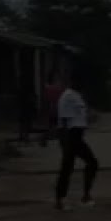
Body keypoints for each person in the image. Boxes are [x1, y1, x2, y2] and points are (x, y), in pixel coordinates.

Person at [54, 68, 99, 211]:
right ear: (74, 82)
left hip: (77, 134)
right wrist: (66, 142)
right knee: (69, 167)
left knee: (88, 164)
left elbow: (82, 115)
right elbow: (64, 121)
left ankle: (84, 195)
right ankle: (62, 199)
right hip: (71, 135)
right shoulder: (68, 96)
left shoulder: (77, 96)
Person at [41, 72, 65, 147]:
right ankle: (61, 141)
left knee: (52, 127)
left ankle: (44, 139)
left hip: (53, 109)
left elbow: (46, 100)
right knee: (57, 127)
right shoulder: (56, 89)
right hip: (56, 110)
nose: (58, 81)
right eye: (57, 79)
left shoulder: (48, 88)